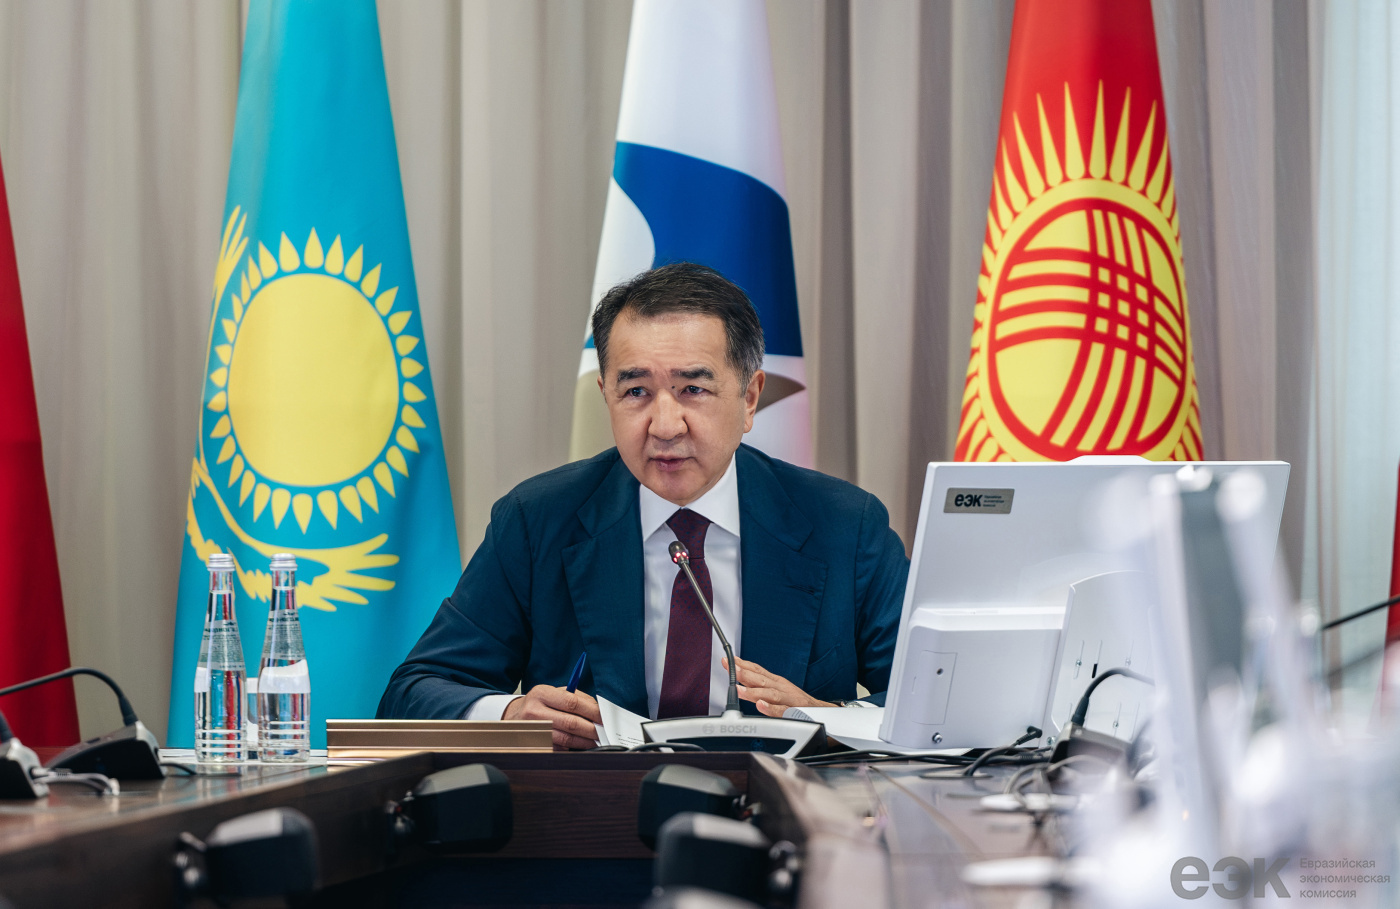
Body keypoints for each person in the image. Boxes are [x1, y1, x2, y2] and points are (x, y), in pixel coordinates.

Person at [378, 263, 909, 749]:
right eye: (636, 392)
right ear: (606, 394)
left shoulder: (844, 526)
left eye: (693, 389)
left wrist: (824, 717)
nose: (665, 425)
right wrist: (511, 713)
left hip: (787, 811)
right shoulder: (538, 520)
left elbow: (938, 706)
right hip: (599, 813)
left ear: (750, 398)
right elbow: (414, 692)